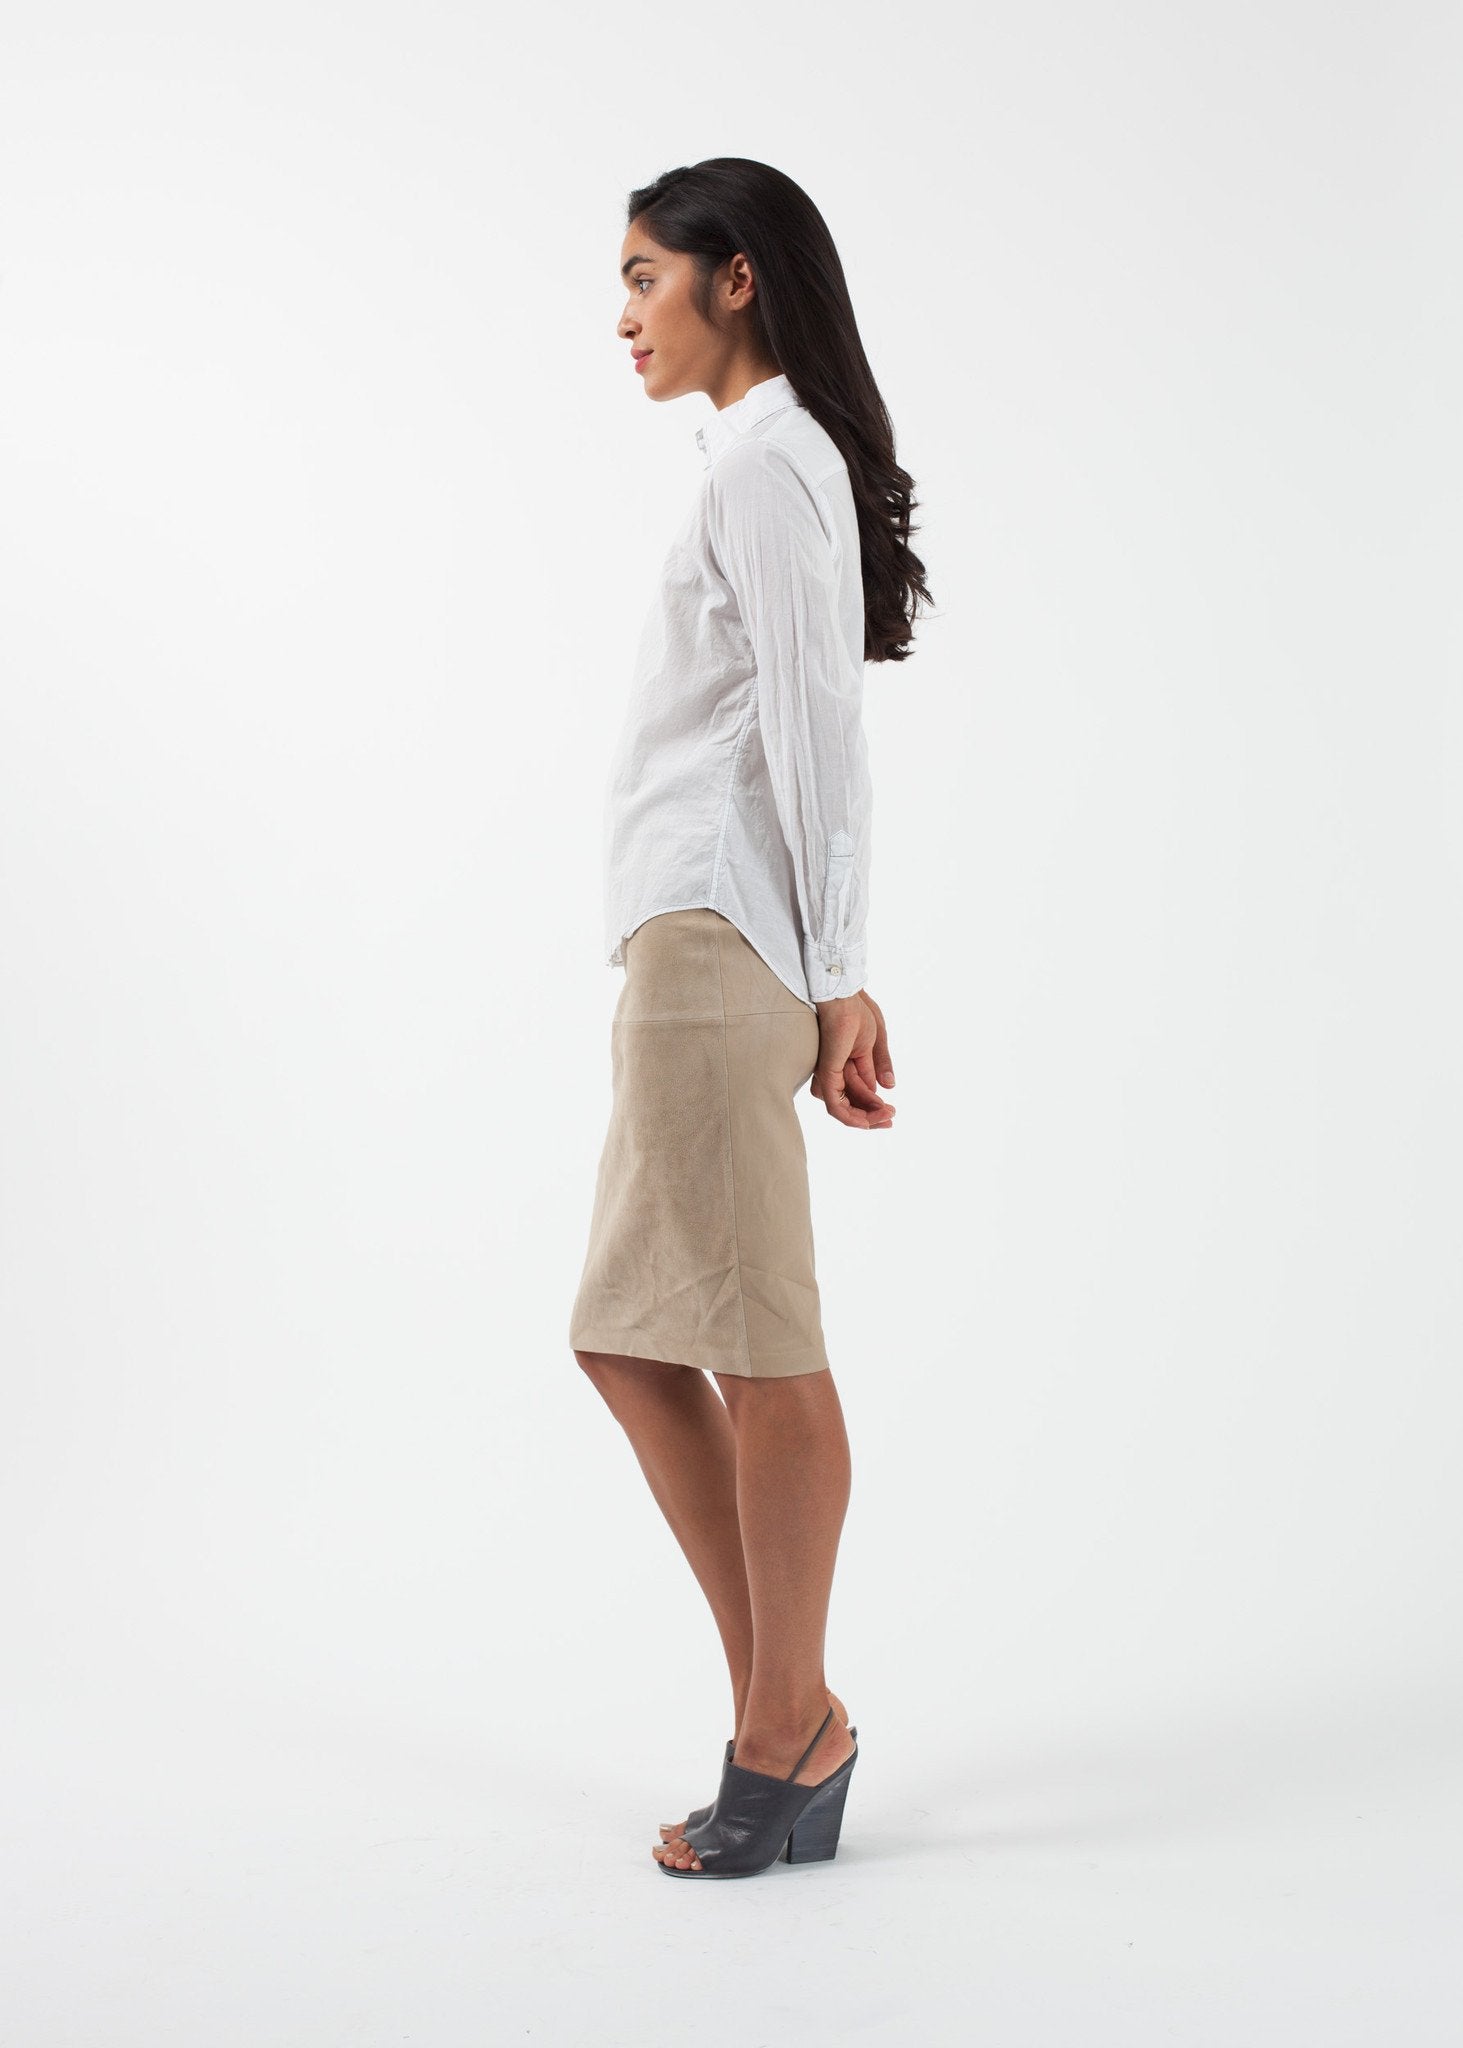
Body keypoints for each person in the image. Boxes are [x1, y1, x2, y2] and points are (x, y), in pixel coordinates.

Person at [568, 157, 932, 1879]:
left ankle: (785, 1727)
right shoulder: (755, 467)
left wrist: (838, 968)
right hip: (694, 946)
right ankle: (791, 1714)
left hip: (720, 948)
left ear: (737, 281)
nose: (622, 315)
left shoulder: (772, 467)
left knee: (756, 1346)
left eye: (645, 276)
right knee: (635, 1333)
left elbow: (815, 731)